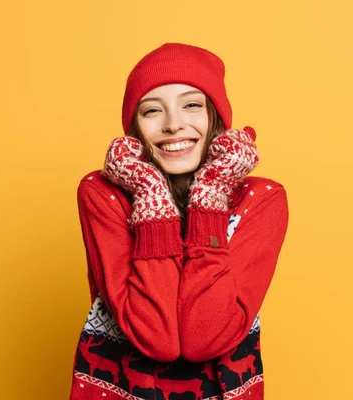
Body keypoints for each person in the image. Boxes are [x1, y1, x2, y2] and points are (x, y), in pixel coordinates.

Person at [68, 43, 289, 400]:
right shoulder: (103, 194)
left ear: (215, 116)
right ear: (135, 128)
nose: (173, 124)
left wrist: (210, 197)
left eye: (191, 105)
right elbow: (158, 339)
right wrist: (150, 195)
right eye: (152, 110)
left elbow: (205, 339)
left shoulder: (260, 199)